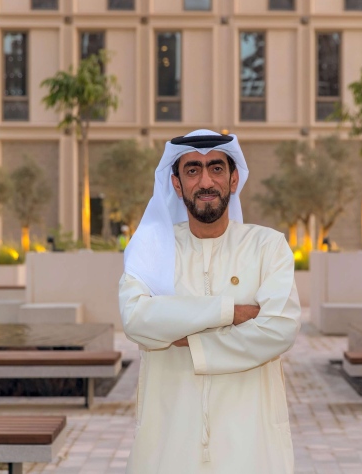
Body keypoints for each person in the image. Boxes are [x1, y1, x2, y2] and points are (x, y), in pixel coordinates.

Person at [119, 129, 301, 474]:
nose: (205, 181)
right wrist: (230, 312)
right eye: (192, 170)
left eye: (216, 168)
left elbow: (279, 328)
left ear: (233, 179)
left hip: (251, 444)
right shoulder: (151, 251)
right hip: (168, 445)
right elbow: (136, 319)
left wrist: (186, 338)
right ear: (177, 184)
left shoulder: (268, 247)